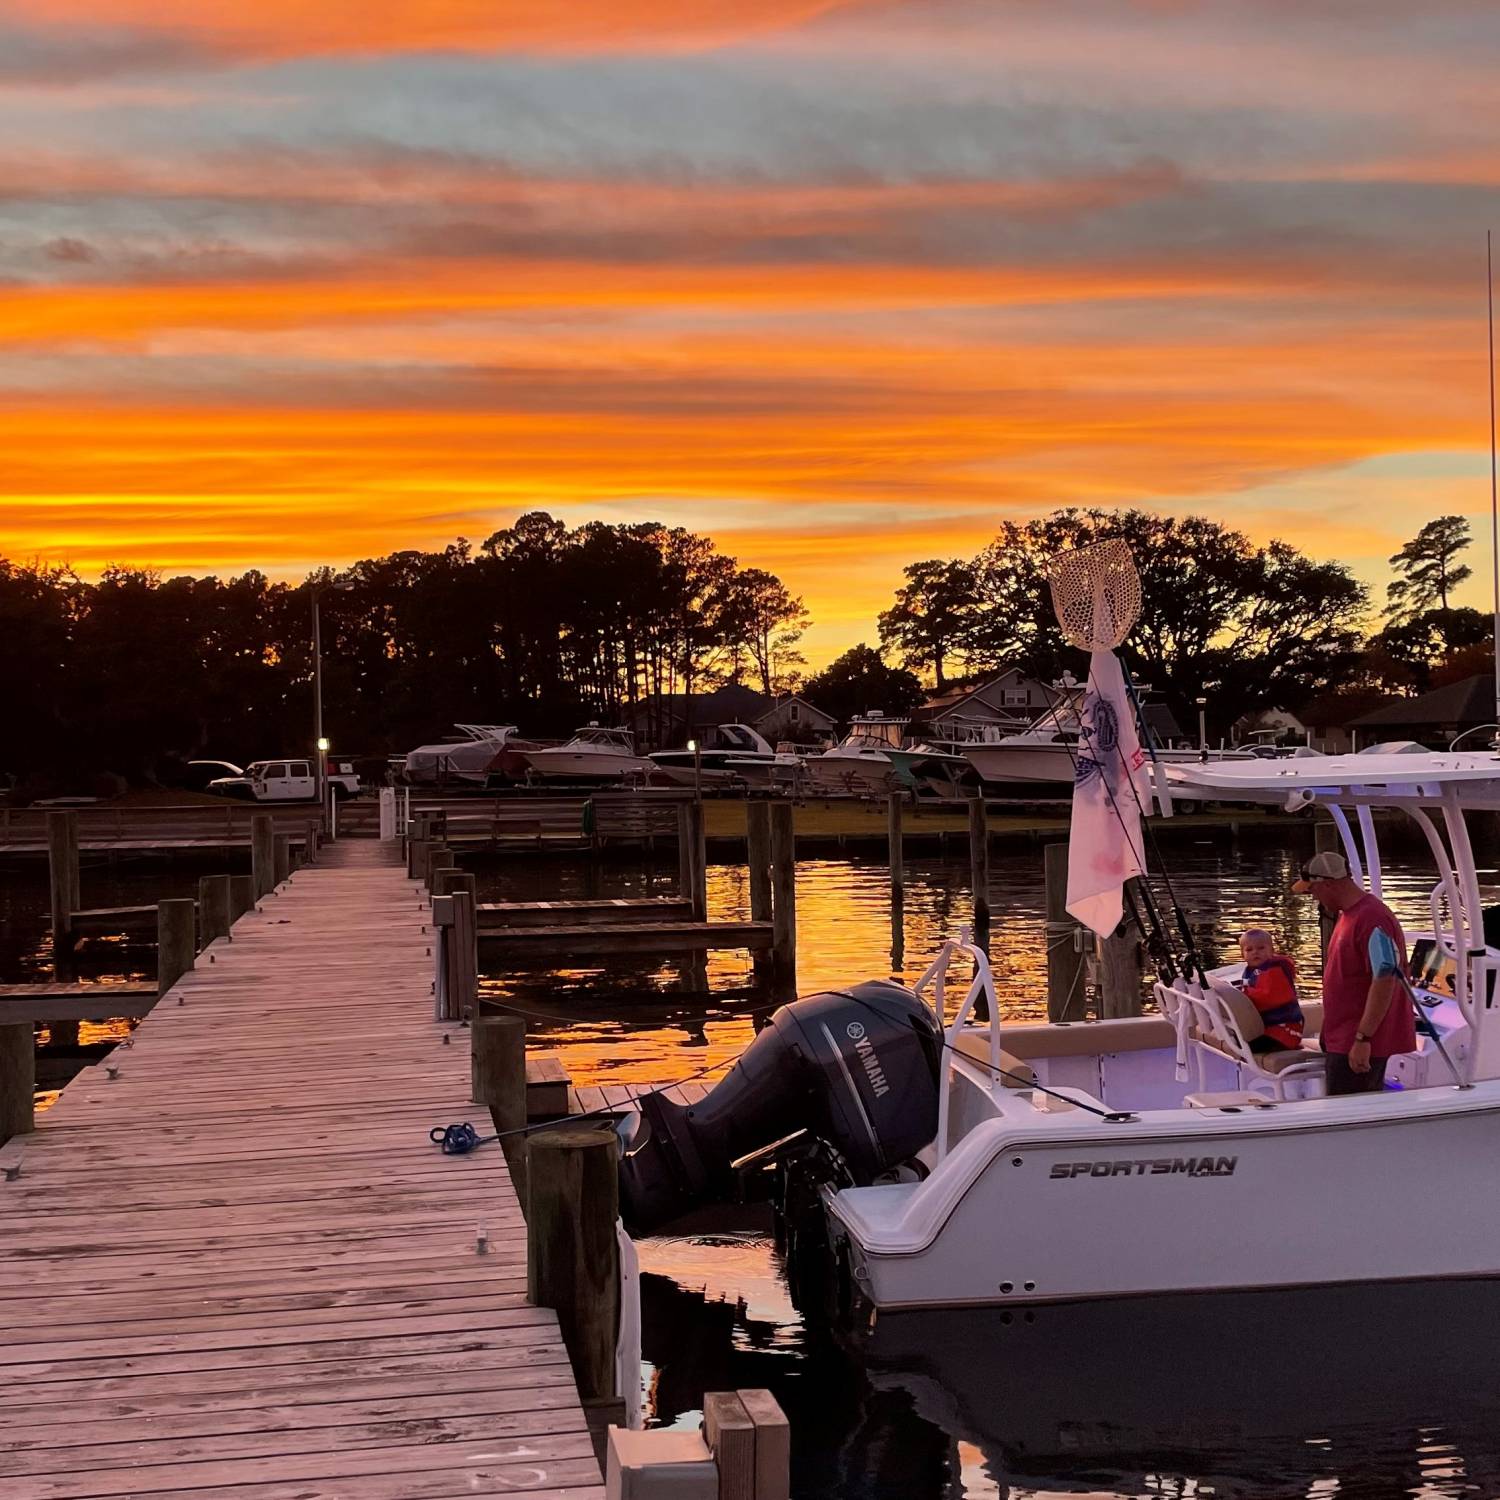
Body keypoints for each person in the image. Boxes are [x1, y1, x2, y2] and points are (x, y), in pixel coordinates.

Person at [1293, 849, 1414, 1095]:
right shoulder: (1349, 915)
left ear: (1327, 884)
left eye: (1312, 890)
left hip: (1356, 1043)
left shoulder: (1372, 918)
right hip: (1342, 1037)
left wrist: (1362, 1039)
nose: (1313, 897)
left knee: (1350, 1111)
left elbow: (1385, 977)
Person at [1235, 928, 1304, 1052]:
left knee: (1245, 1046)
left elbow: (1267, 998)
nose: (1255, 952)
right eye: (1249, 949)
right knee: (1237, 1041)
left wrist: (1242, 995)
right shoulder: (1251, 970)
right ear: (1242, 954)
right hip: (1266, 1028)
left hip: (1284, 1031)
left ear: (1272, 950)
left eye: (1261, 948)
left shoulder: (1275, 970)